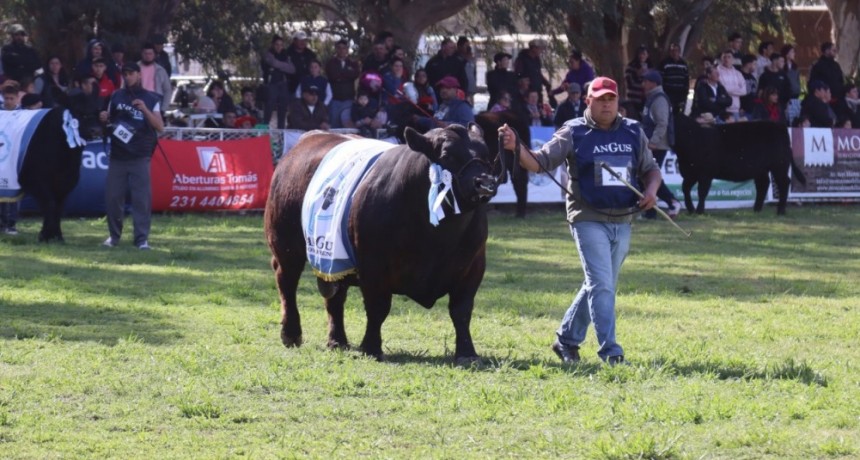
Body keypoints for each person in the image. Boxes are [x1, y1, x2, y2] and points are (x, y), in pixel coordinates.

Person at [498, 76, 661, 365]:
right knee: (602, 285)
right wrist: (516, 147)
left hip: (623, 219)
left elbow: (651, 170)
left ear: (617, 101)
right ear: (588, 101)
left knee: (599, 284)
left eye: (611, 98)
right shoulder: (573, 132)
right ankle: (611, 352)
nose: (606, 104)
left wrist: (650, 191)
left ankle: (566, 340)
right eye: (600, 99)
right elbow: (539, 162)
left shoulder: (633, 131)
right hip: (587, 218)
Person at [99, 62, 165, 250]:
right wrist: (104, 118)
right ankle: (113, 237)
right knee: (113, 198)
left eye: (130, 73)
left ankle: (141, 239)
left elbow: (160, 126)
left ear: (138, 74)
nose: (127, 77)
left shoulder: (151, 98)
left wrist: (144, 109)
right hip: (118, 156)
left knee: (141, 199)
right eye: (125, 74)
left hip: (139, 156)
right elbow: (109, 121)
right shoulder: (116, 96)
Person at [640, 70, 680, 219]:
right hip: (651, 144)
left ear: (653, 83)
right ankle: (650, 210)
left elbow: (662, 123)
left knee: (650, 177)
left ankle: (672, 202)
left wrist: (653, 143)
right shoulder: (652, 98)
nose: (643, 84)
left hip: (657, 146)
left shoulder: (659, 99)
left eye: (645, 81)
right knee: (646, 176)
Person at [1, 83, 22, 235]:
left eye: (11, 98)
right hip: (1, 157)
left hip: (14, 159)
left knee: (13, 190)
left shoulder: (23, 115)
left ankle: (11, 223)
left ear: (17, 98)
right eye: (6, 98)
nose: (8, 101)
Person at [261, 35, 295, 129]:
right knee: (268, 111)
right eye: (277, 44)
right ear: (273, 45)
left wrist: (279, 66)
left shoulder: (285, 55)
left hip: (283, 85)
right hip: (271, 85)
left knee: (282, 112)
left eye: (281, 45)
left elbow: (292, 69)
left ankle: (281, 137)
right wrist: (284, 66)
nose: (279, 47)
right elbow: (273, 62)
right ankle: (263, 134)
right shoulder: (268, 54)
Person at [325, 39, 359, 128]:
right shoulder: (330, 63)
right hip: (335, 99)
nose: (341, 50)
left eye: (344, 48)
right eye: (339, 48)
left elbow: (355, 74)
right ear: (336, 49)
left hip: (349, 99)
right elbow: (333, 76)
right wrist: (346, 75)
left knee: (348, 124)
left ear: (347, 49)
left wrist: (340, 76)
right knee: (334, 124)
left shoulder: (353, 63)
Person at [514, 39, 552, 106]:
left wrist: (546, 83)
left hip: (537, 91)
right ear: (534, 48)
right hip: (528, 94)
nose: (541, 51)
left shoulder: (537, 59)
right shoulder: (522, 59)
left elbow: (538, 73)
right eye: (540, 48)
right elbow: (517, 75)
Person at [67, 74, 106, 140]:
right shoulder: (75, 98)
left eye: (96, 84)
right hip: (80, 134)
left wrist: (104, 115)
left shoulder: (101, 100)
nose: (95, 87)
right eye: (92, 84)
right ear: (84, 85)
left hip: (98, 136)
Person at [138, 43, 173, 114]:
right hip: (138, 102)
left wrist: (163, 109)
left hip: (155, 103)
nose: (148, 56)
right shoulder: (135, 68)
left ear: (154, 55)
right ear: (142, 54)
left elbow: (167, 90)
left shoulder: (161, 70)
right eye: (146, 54)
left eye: (150, 54)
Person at [658, 43, 690, 116]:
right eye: (673, 51)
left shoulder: (683, 64)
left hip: (680, 94)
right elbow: (661, 79)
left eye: (676, 51)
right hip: (668, 93)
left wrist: (685, 92)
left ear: (679, 52)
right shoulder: (664, 63)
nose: (675, 53)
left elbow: (686, 79)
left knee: (678, 114)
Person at [716, 49, 747, 121]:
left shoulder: (738, 73)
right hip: (723, 109)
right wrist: (736, 88)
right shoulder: (717, 71)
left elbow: (744, 91)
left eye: (729, 57)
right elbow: (723, 89)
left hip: (736, 109)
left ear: (733, 59)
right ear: (721, 59)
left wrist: (728, 90)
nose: (726, 59)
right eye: (724, 57)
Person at [624, 45, 651, 114]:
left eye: (644, 54)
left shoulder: (650, 67)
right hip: (633, 100)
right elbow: (628, 84)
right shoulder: (631, 66)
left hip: (646, 100)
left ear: (647, 55)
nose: (642, 56)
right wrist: (637, 75)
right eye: (640, 54)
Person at [782, 44, 802, 125]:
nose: (794, 54)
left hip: (795, 95)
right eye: (792, 52)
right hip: (786, 96)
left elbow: (797, 79)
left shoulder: (795, 67)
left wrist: (798, 88)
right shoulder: (783, 67)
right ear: (787, 54)